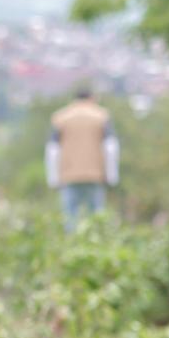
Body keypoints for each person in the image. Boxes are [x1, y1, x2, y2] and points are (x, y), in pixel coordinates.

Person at [45, 85, 119, 230]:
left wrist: (53, 178)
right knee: (97, 218)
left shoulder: (61, 117)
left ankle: (71, 248)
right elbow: (111, 147)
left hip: (68, 175)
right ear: (92, 98)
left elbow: (53, 150)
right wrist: (112, 175)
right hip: (95, 174)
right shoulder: (102, 116)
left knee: (70, 218)